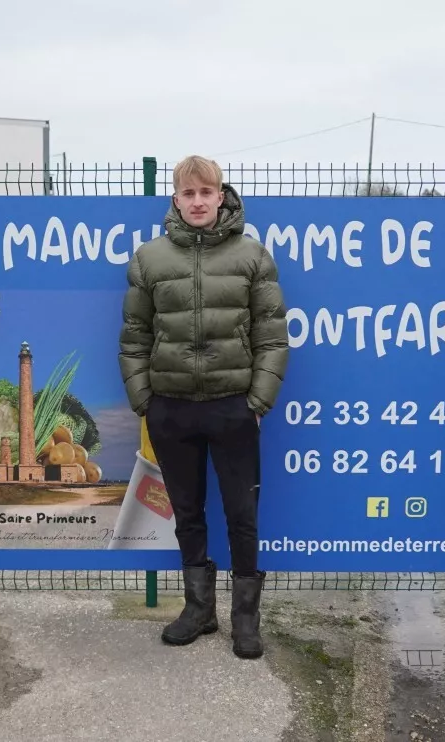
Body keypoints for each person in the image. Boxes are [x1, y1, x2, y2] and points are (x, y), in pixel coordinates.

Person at [118, 155, 289, 659]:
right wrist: (144, 400)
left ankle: (245, 619)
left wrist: (257, 401)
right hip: (170, 410)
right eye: (188, 194)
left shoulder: (253, 256)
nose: (197, 202)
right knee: (188, 514)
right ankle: (198, 610)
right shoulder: (149, 260)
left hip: (233, 407)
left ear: (221, 196)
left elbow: (272, 337)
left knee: (242, 514)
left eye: (206, 193)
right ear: (176, 199)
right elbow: (134, 338)